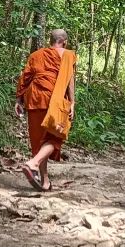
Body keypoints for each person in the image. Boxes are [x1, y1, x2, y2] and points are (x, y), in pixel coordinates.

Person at [15, 29, 77, 191]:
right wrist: (72, 102)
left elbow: (25, 77)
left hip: (34, 99)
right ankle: (32, 164)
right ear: (64, 41)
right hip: (54, 101)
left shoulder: (36, 55)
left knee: (38, 143)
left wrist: (18, 99)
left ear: (50, 40)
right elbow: (69, 80)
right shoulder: (67, 55)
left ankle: (45, 181)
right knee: (55, 139)